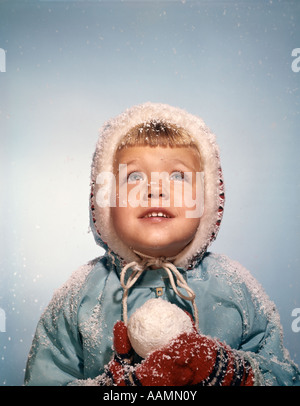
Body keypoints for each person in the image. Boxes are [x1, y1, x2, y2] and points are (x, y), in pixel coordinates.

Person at [24, 102, 300, 386]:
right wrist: (112, 389)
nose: (155, 190)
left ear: (207, 198)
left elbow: (284, 376)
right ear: (105, 199)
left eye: (178, 176)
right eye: (134, 177)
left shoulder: (237, 290)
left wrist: (234, 374)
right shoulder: (78, 295)